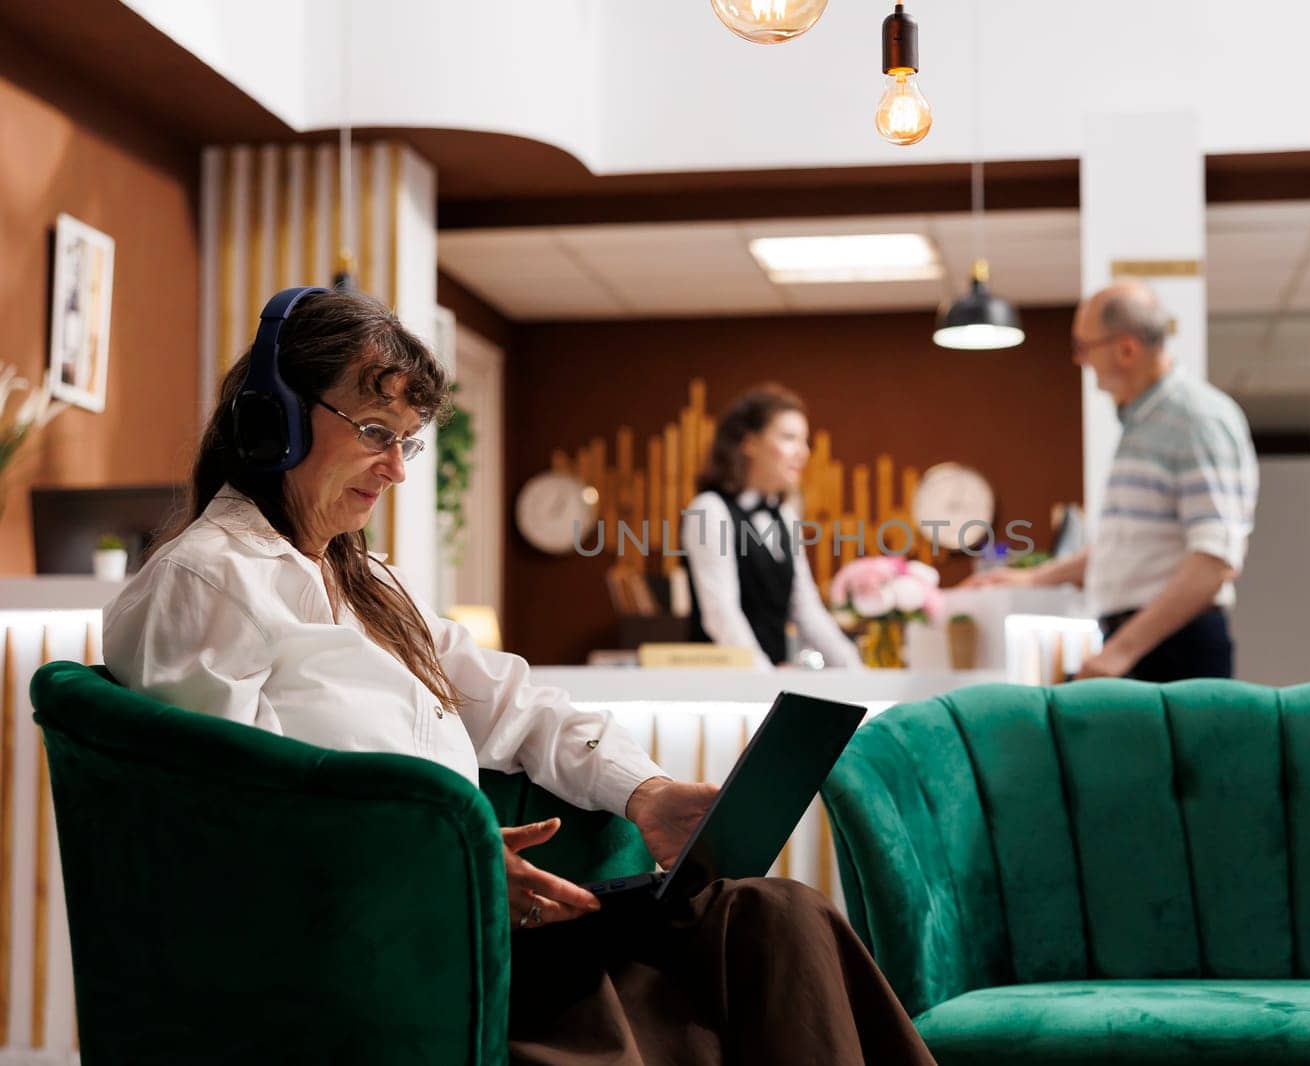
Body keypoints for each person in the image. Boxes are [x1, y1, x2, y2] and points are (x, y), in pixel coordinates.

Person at [102, 290, 933, 1065]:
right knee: (720, 987)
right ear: (270, 422)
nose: (396, 469)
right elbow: (212, 831)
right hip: (383, 959)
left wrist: (646, 793)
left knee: (778, 913)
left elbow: (514, 704)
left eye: (406, 440)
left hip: (464, 927)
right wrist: (433, 865)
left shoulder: (368, 583)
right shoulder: (208, 582)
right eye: (373, 430)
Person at [967, 279, 1258, 682]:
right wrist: (1035, 577)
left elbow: (1214, 563)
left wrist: (1121, 652)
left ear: (1126, 349)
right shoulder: (1142, 424)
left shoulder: (1196, 421)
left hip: (1175, 649)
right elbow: (1125, 546)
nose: (1079, 361)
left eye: (1083, 347)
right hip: (1144, 641)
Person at [683, 384, 860, 669]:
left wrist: (857, 673)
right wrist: (765, 680)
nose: (803, 452)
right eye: (789, 438)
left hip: (771, 681)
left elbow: (807, 610)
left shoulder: (786, 517)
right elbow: (720, 614)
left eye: (805, 441)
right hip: (723, 686)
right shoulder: (709, 509)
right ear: (749, 443)